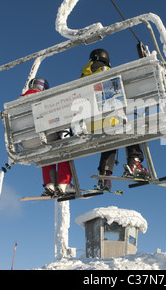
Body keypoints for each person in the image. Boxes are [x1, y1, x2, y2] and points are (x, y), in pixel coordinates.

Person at [80, 49, 148, 191]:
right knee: (131, 126)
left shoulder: (82, 77)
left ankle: (104, 175)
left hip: (90, 124)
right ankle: (134, 163)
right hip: (109, 118)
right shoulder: (105, 70)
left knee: (110, 139)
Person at [21, 78, 73, 197]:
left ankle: (49, 185)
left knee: (46, 154)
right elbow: (55, 116)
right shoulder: (44, 99)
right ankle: (63, 184)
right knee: (63, 148)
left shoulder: (18, 102)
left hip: (25, 141)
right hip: (44, 136)